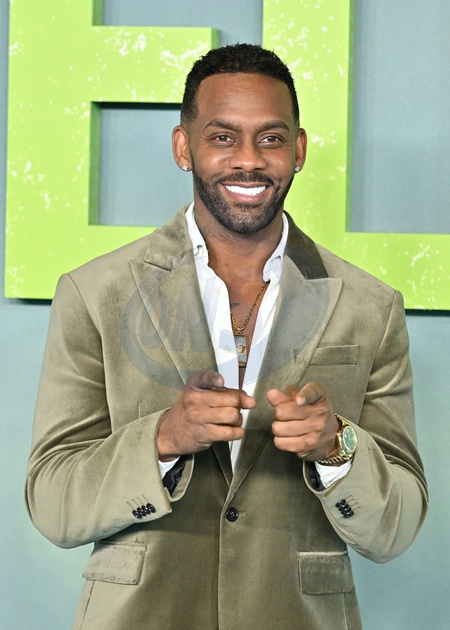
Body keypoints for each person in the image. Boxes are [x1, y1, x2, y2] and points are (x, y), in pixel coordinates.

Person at [26, 43, 428, 629]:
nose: (249, 160)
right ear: (183, 147)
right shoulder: (95, 294)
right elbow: (53, 503)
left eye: (271, 138)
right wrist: (164, 438)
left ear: (299, 149)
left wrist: (335, 447)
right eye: (222, 137)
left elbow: (397, 526)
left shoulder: (371, 307)